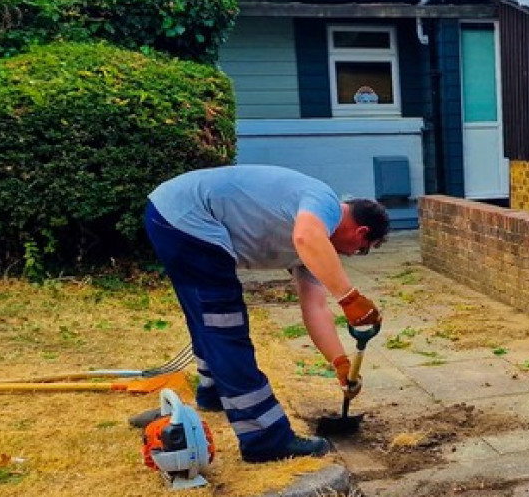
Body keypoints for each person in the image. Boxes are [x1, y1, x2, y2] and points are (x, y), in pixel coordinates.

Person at [142, 165, 390, 463]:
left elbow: (315, 306)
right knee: (224, 325)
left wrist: (339, 363)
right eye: (363, 249)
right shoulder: (324, 202)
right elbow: (305, 237)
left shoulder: (314, 242)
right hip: (188, 217)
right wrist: (350, 298)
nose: (352, 255)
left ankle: (214, 393)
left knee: (208, 320)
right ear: (361, 231)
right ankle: (266, 440)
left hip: (172, 216)